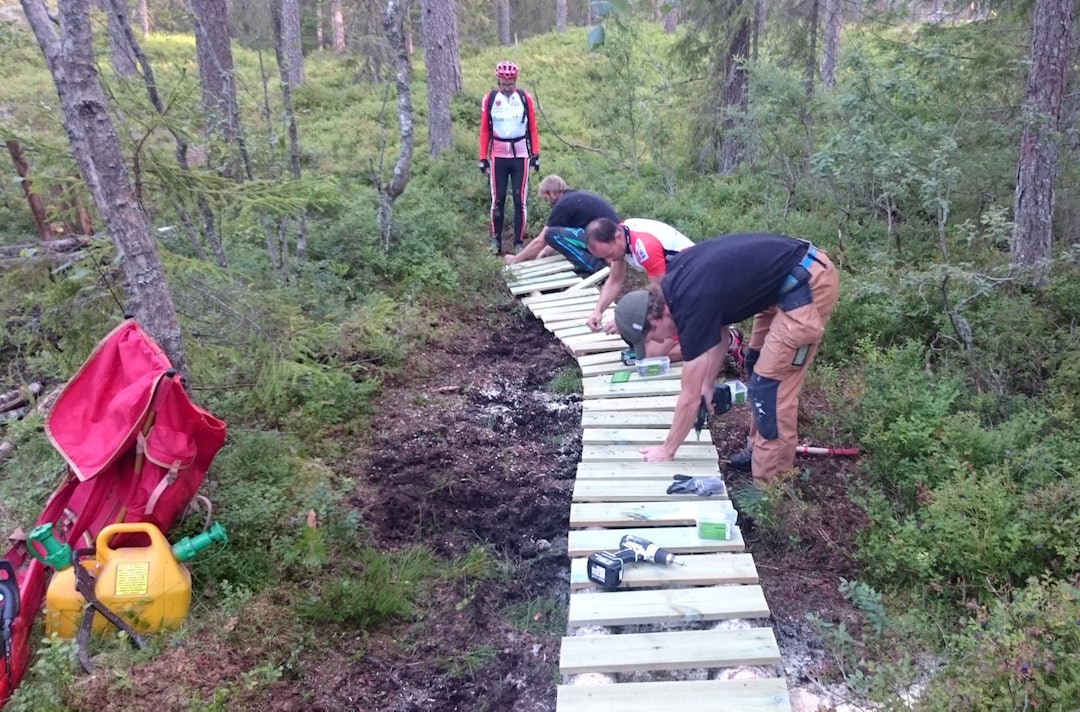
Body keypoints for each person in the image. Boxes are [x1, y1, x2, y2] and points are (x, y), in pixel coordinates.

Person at [616, 234, 839, 488]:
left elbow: (688, 397)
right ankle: (759, 452)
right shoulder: (674, 286)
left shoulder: (690, 305)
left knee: (771, 386)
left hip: (806, 284)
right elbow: (720, 329)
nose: (657, 342)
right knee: (755, 364)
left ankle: (771, 489)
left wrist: (667, 449)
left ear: (653, 321)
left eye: (650, 337)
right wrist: (707, 385)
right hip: (782, 283)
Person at [583, 217, 693, 359]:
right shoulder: (622, 236)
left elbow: (662, 296)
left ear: (618, 237)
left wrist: (625, 320)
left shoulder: (645, 248)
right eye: (604, 257)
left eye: (610, 255)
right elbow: (615, 280)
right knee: (643, 343)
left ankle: (715, 341)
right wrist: (597, 311)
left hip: (691, 289)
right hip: (678, 286)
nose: (610, 261)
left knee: (651, 355)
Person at [479, 60, 539, 255]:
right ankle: (495, 239)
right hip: (498, 155)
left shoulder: (524, 98)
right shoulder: (490, 99)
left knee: (519, 199)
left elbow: (532, 128)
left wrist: (535, 155)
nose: (507, 88)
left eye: (510, 84)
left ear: (515, 81)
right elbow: (485, 130)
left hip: (520, 154)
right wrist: (483, 157)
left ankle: (518, 242)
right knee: (498, 198)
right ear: (498, 81)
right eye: (504, 84)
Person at [503, 175, 617, 274]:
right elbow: (570, 230)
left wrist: (516, 259)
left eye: (546, 198)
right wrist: (548, 249)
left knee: (550, 233)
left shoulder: (563, 205)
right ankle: (601, 258)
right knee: (556, 233)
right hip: (611, 237)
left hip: (603, 238)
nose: (548, 202)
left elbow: (540, 241)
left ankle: (593, 266)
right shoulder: (574, 197)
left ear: (551, 193)